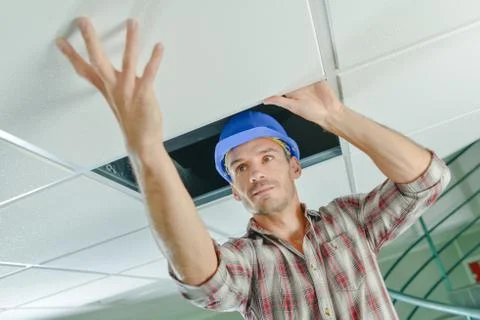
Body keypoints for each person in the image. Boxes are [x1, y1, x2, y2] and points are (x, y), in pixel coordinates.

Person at [57, 18, 451, 320]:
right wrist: (147, 151)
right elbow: (202, 279)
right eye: (240, 168)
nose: (255, 173)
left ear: (294, 167)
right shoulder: (248, 264)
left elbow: (426, 179)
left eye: (267, 158)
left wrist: (334, 115)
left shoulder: (351, 222)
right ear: (234, 190)